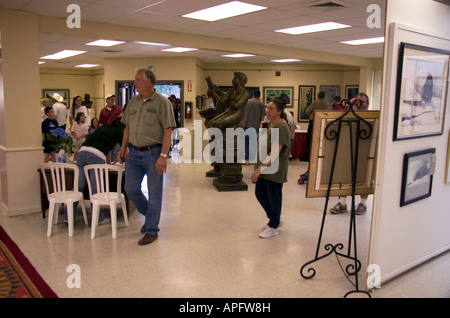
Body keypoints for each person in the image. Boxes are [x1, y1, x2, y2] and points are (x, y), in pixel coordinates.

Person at [118, 67, 176, 246]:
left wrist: (163, 156)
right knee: (131, 188)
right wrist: (123, 147)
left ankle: (151, 229)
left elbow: (168, 130)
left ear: (148, 81)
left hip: (153, 154)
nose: (134, 83)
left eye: (137, 80)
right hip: (133, 154)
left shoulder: (162, 103)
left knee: (154, 193)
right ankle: (150, 216)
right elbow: (127, 126)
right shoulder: (133, 102)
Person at [70, 116, 126, 225]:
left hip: (82, 152)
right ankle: (98, 218)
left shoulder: (104, 127)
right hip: (96, 156)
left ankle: (69, 216)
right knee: (96, 188)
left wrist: (108, 164)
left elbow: (107, 149)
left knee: (78, 186)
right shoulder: (120, 132)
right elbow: (124, 148)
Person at [251, 99, 290, 239]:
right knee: (260, 193)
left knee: (274, 196)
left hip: (274, 169)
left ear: (279, 111)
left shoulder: (282, 127)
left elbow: (274, 152)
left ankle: (273, 225)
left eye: (271, 108)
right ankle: (275, 218)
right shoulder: (271, 125)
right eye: (267, 107)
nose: (267, 110)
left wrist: (258, 170)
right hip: (265, 167)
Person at [330, 92, 370, 215]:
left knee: (366, 177)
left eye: (363, 102)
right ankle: (342, 203)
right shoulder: (348, 116)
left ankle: (362, 203)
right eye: (358, 101)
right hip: (347, 151)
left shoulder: (371, 118)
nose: (360, 104)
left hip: (366, 153)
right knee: (344, 174)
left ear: (367, 104)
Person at [298, 91, 328, 184]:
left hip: (313, 123)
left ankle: (308, 157)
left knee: (310, 142)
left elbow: (307, 111)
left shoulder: (315, 102)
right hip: (322, 124)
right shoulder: (325, 104)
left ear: (318, 95)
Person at [242, 90, 266, 163]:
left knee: (245, 142)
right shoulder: (261, 104)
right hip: (255, 126)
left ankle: (246, 158)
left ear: (253, 94)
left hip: (245, 125)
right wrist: (261, 126)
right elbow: (262, 116)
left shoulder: (247, 102)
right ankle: (251, 159)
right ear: (259, 95)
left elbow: (242, 113)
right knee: (253, 143)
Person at [99, 94, 123, 162]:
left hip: (117, 132)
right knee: (109, 150)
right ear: (107, 100)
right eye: (111, 99)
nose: (113, 101)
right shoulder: (103, 111)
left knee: (118, 149)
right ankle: (110, 163)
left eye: (114, 99)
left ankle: (117, 163)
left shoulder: (119, 109)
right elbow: (101, 123)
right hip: (107, 133)